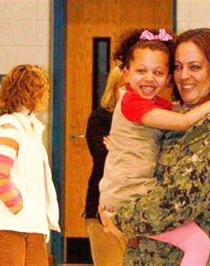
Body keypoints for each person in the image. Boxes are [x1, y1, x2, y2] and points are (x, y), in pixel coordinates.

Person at [101, 28, 210, 265]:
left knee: (198, 242)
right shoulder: (176, 114)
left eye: (195, 67)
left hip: (173, 256)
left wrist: (119, 218)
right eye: (178, 67)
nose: (184, 76)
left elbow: (177, 203)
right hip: (148, 254)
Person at [0, 64, 60, 265]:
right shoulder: (9, 128)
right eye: (44, 90)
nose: (47, 95)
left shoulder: (29, 127)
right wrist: (20, 209)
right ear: (30, 93)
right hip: (7, 225)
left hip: (29, 225)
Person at [83, 65, 126, 265]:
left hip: (138, 209)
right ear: (114, 88)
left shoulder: (150, 120)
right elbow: (104, 158)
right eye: (124, 87)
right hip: (102, 207)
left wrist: (117, 147)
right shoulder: (100, 118)